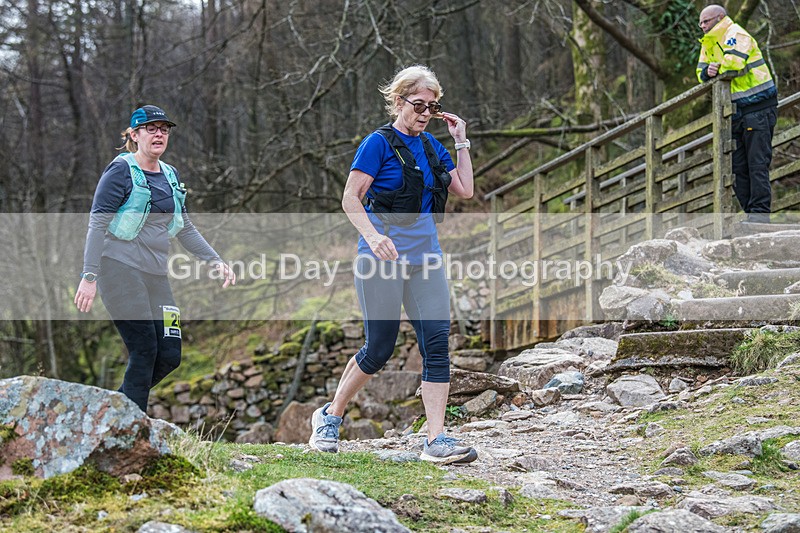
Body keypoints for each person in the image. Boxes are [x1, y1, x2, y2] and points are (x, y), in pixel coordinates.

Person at [309, 65, 477, 464]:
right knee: (379, 347)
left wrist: (461, 142)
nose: (424, 113)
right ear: (399, 101)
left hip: (426, 259)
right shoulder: (377, 144)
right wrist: (372, 235)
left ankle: (435, 439)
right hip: (380, 258)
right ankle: (330, 417)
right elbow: (351, 198)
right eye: (419, 104)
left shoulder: (434, 147)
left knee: (436, 344)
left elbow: (466, 191)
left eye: (432, 107)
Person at [74, 105, 236, 412]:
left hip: (156, 275)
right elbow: (97, 223)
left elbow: (184, 227)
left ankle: (111, 410)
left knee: (170, 355)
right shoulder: (120, 170)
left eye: (164, 128)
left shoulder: (171, 175)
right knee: (144, 348)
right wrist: (89, 276)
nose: (159, 134)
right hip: (117, 269)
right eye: (151, 128)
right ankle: (131, 428)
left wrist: (214, 260)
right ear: (134, 135)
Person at [696, 4, 778, 223]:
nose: (702, 26)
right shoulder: (708, 43)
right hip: (735, 111)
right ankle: (750, 213)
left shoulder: (736, 33)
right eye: (701, 22)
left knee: (756, 163)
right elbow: (700, 71)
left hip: (758, 107)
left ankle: (760, 216)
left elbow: (734, 62)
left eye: (706, 21)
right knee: (737, 167)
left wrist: (715, 68)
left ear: (720, 18)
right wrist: (707, 71)